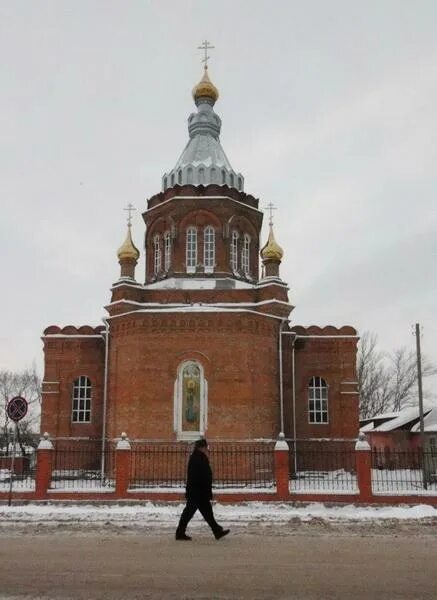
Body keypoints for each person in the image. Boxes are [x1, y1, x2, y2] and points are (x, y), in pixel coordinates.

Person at [175, 438, 230, 541]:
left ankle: (217, 531)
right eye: (205, 447)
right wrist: (204, 488)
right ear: (202, 447)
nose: (207, 449)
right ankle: (180, 533)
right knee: (189, 513)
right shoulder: (198, 458)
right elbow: (200, 475)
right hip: (197, 492)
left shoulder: (197, 457)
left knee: (207, 512)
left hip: (199, 492)